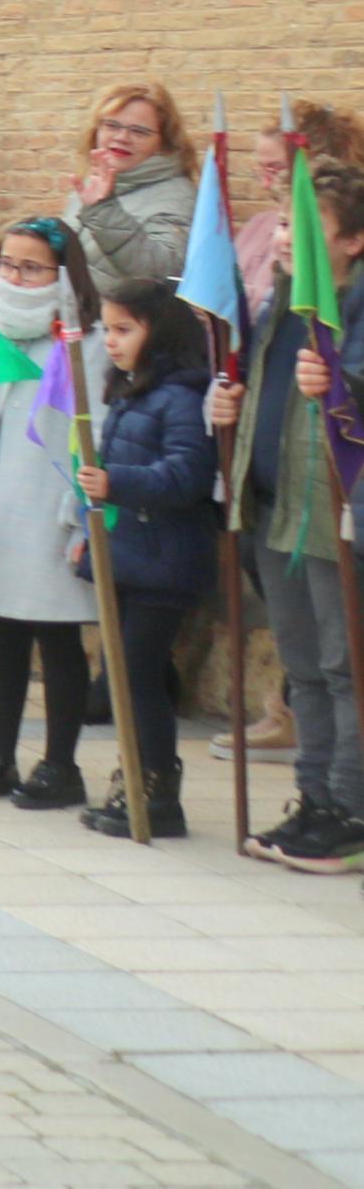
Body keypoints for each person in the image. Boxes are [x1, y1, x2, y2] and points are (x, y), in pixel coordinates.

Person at [0, 217, 106, 810]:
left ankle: (61, 763)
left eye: (31, 267)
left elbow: (96, 427)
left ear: (61, 275)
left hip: (49, 507)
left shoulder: (86, 341)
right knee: (3, 633)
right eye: (6, 263)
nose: (14, 275)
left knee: (57, 638)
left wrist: (80, 511)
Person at [219, 159, 364, 868]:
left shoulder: (350, 307)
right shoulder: (278, 301)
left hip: (331, 513)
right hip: (276, 507)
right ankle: (312, 799)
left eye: (306, 227)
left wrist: (342, 379)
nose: (283, 237)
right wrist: (227, 406)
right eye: (281, 222)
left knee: (345, 666)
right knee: (302, 667)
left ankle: (349, 808)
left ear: (353, 242)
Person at [69, 277, 214, 839]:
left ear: (161, 332)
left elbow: (185, 475)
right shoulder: (133, 391)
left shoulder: (180, 395)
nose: (110, 340)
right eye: (107, 329)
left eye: (124, 329)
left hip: (166, 558)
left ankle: (156, 787)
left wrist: (114, 482)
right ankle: (137, 776)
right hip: (133, 553)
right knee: (129, 675)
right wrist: (92, 525)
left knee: (137, 674)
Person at [68, 80, 199, 306]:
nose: (122, 137)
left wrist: (104, 210)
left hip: (122, 331)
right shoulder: (95, 180)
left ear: (162, 142)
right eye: (111, 125)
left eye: (139, 131)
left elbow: (163, 270)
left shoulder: (177, 195)